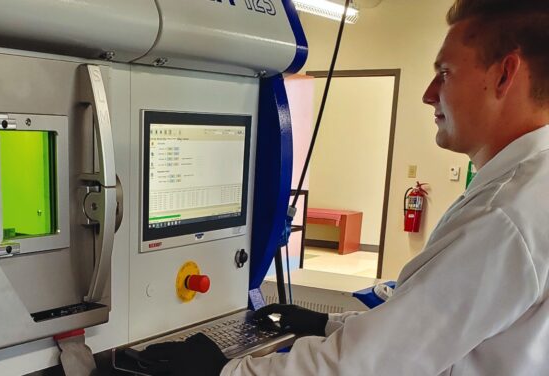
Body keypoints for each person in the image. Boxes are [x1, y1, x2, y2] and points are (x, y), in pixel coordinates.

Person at [140, 0, 549, 374]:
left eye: (445, 73)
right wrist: (325, 323)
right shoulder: (531, 187)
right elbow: (425, 330)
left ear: (504, 75)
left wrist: (221, 371)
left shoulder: (504, 214)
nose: (428, 94)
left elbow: (365, 367)